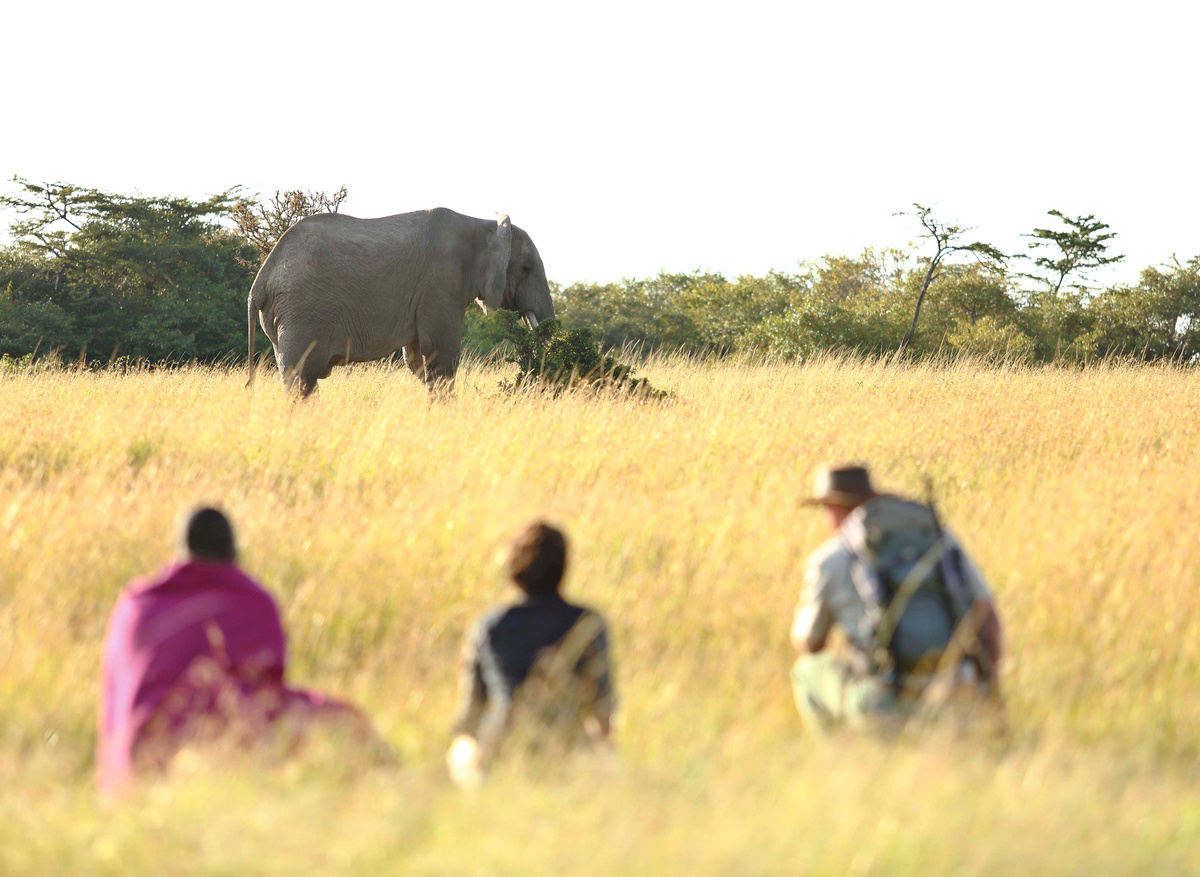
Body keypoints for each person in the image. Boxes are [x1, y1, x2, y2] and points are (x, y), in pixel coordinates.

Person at [98, 507, 382, 797]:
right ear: (233, 551)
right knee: (344, 723)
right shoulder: (254, 602)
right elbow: (267, 694)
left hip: (135, 773)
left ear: (180, 551)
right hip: (228, 760)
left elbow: (117, 694)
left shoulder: (137, 606)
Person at [790, 464, 1003, 734]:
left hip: (885, 704)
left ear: (834, 508)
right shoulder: (940, 540)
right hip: (958, 696)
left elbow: (809, 642)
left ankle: (840, 766)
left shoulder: (830, 559)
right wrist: (992, 694)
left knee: (807, 670)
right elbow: (988, 617)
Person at [448, 521, 615, 785]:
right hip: (566, 749)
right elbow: (602, 712)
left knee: (461, 752)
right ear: (563, 567)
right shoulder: (588, 623)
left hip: (499, 753)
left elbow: (470, 717)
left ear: (513, 571)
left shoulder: (488, 627)